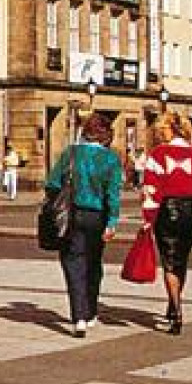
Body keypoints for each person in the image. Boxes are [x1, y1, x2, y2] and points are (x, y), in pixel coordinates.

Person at [142, 111, 192, 335]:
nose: (159, 133)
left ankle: (176, 310)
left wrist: (148, 219)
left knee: (169, 261)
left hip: (167, 211)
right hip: (190, 211)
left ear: (170, 129)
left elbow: (151, 189)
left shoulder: (158, 154)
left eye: (162, 129)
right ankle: (173, 301)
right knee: (182, 260)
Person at [46, 113, 122, 337]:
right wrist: (112, 222)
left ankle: (78, 315)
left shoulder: (70, 153)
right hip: (97, 216)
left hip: (72, 213)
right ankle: (90, 310)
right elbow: (113, 195)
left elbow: (51, 183)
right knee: (94, 262)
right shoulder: (110, 159)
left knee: (73, 262)